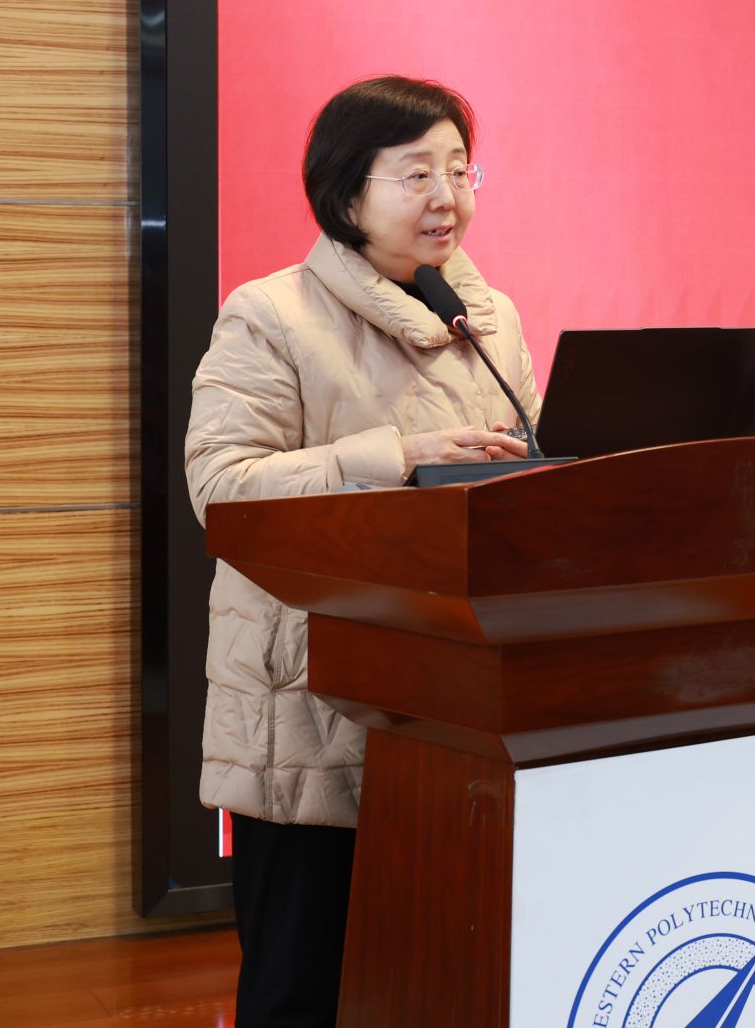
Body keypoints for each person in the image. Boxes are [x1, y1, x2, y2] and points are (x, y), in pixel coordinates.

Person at [184, 76, 541, 1027]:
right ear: (348, 193)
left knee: (436, 982)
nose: (447, 196)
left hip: (453, 702)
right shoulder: (272, 313)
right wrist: (398, 456)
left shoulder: (491, 319)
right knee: (302, 990)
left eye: (460, 171)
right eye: (417, 173)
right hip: (311, 703)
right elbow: (221, 486)